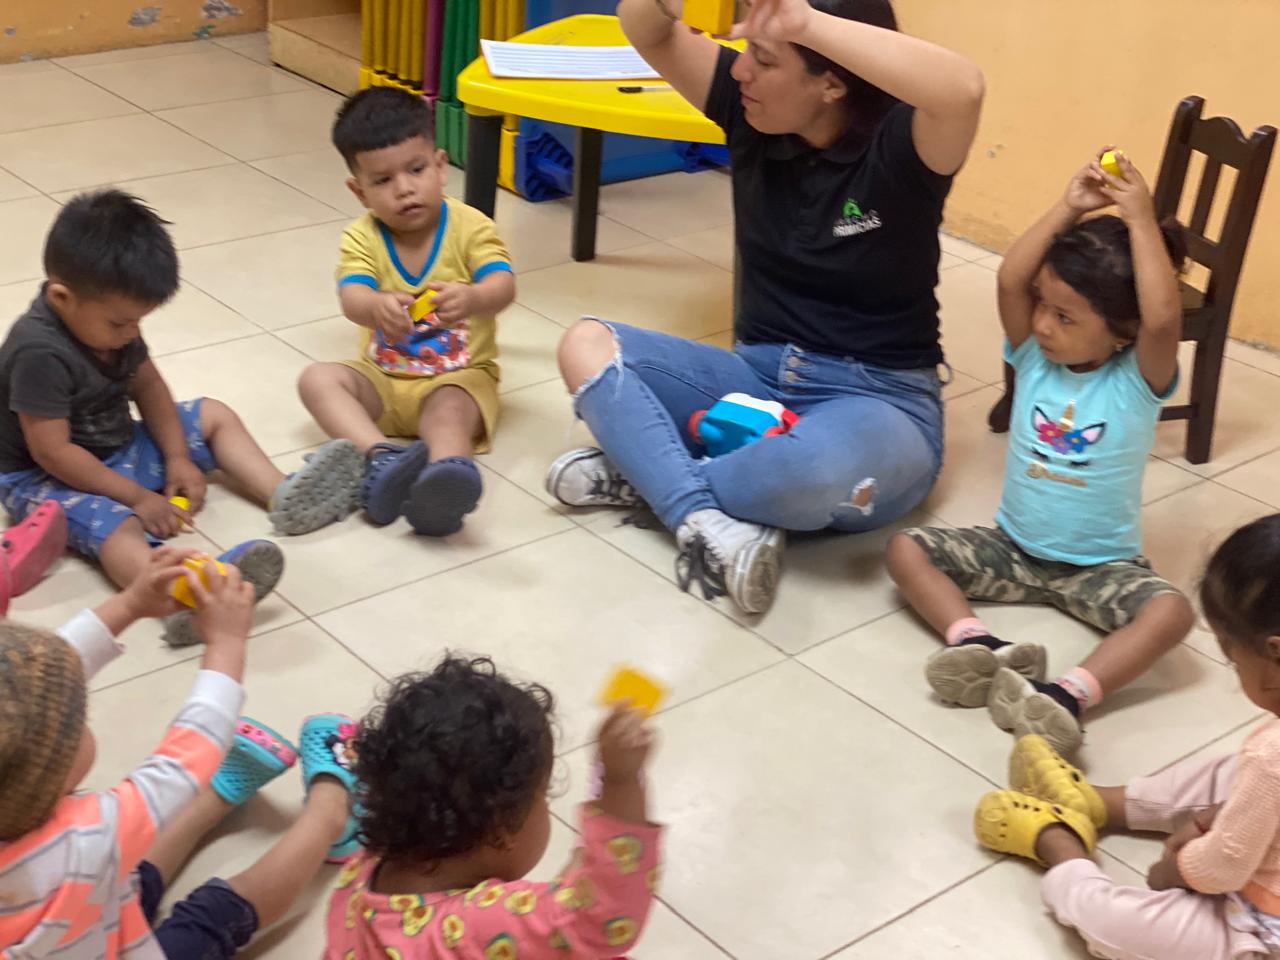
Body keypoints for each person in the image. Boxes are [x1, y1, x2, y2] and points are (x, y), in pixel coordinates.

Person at [545, 0, 984, 616]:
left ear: (831, 83)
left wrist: (805, 22)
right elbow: (644, 27)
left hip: (879, 401)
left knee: (805, 472)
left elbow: (965, 89)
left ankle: (651, 474)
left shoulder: (904, 146)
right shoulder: (750, 111)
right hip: (754, 378)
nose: (740, 70)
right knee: (586, 345)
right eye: (746, 50)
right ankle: (705, 517)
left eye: (765, 58)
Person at [886, 150, 1195, 756]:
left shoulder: (1137, 381)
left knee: (1173, 614)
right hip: (1012, 550)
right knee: (903, 549)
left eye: (1066, 317)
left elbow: (1162, 320)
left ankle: (1068, 694)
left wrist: (1140, 219)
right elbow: (1010, 280)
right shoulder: (1031, 356)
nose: (1045, 325)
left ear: (1123, 333)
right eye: (1043, 307)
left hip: (1101, 568)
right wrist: (1069, 207)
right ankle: (977, 644)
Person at [0, 190, 365, 646]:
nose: (132, 332)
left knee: (213, 414)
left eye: (139, 321)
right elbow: (52, 452)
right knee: (115, 526)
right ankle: (179, 596)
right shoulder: (38, 351)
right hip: (46, 478)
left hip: (117, 445)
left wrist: (176, 457)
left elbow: (150, 387)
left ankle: (286, 496)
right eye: (120, 324)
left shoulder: (111, 324)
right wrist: (138, 498)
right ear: (62, 297)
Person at [0, 547, 361, 959]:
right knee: (212, 917)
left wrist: (130, 604)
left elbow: (25, 688)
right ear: (48, 772)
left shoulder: (24, 808)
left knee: (129, 865)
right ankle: (331, 814)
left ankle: (217, 793)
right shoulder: (85, 837)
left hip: (74, 915)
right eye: (76, 717)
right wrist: (226, 642)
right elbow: (185, 758)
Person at [973, 513, 1280, 960]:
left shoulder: (1272, 755)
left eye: (1233, 659)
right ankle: (1099, 803)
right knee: (1237, 773)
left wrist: (1174, 870)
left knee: (1117, 925)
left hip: (1264, 928)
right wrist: (1217, 819)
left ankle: (1062, 846)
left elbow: (1222, 870)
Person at [324, 655, 661, 957]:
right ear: (501, 831)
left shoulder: (366, 866)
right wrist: (620, 782)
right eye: (543, 796)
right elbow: (597, 922)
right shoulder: (472, 926)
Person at [298, 87, 516, 537]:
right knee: (316, 379)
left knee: (450, 409)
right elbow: (351, 297)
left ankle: (445, 478)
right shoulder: (362, 237)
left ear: (440, 165)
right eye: (382, 181)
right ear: (359, 192)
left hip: (456, 379)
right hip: (381, 381)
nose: (404, 189)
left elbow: (504, 285)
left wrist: (474, 298)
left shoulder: (470, 227)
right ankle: (381, 458)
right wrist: (374, 305)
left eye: (416, 170)